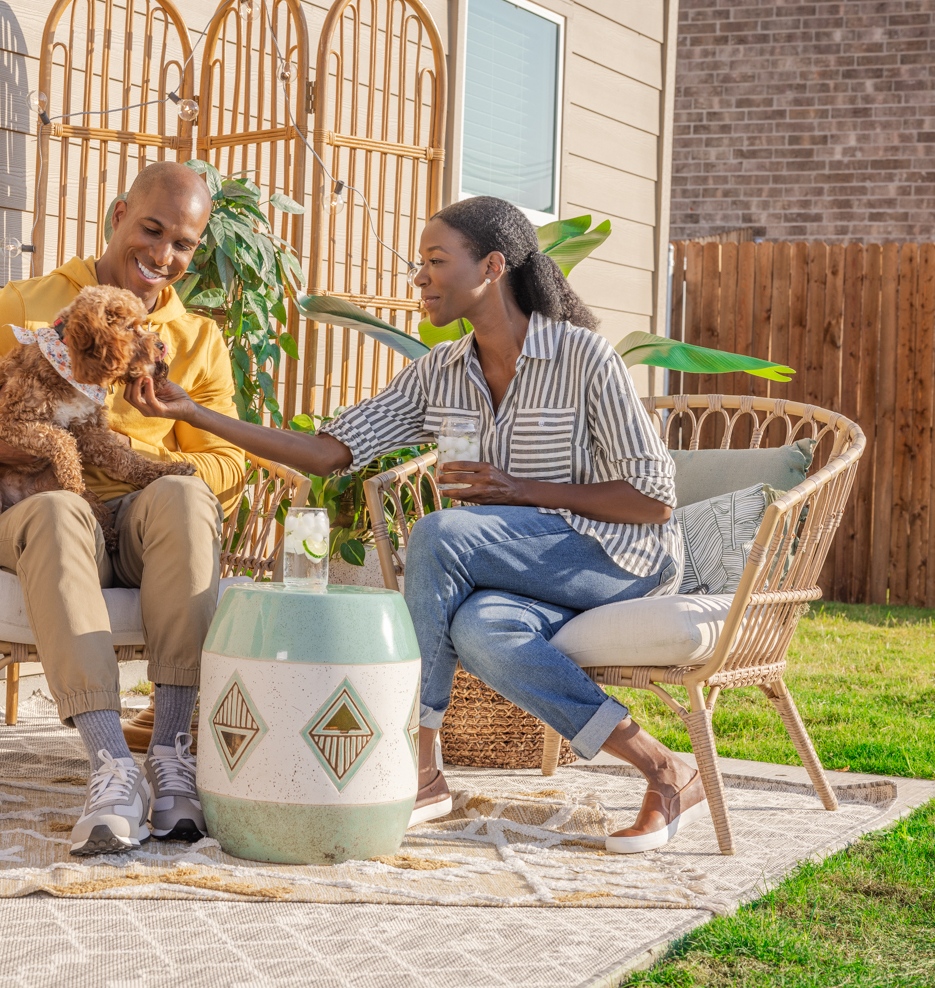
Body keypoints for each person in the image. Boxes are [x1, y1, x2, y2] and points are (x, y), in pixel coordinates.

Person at [126, 195, 707, 853]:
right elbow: (329, 451)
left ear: (493, 267)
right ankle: (667, 769)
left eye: (435, 261)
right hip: (526, 569)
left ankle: (421, 765)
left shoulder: (583, 358)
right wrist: (195, 414)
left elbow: (655, 500)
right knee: (481, 632)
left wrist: (518, 489)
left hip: (620, 555)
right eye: (420, 263)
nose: (419, 278)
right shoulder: (442, 372)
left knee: (437, 533)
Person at [0, 161, 242, 855]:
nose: (163, 255)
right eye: (151, 230)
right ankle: (113, 767)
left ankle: (172, 758)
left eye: (183, 244)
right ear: (118, 214)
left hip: (139, 526)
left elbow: (227, 464)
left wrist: (166, 454)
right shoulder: (28, 306)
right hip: (39, 508)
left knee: (180, 493)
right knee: (58, 511)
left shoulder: (195, 340)